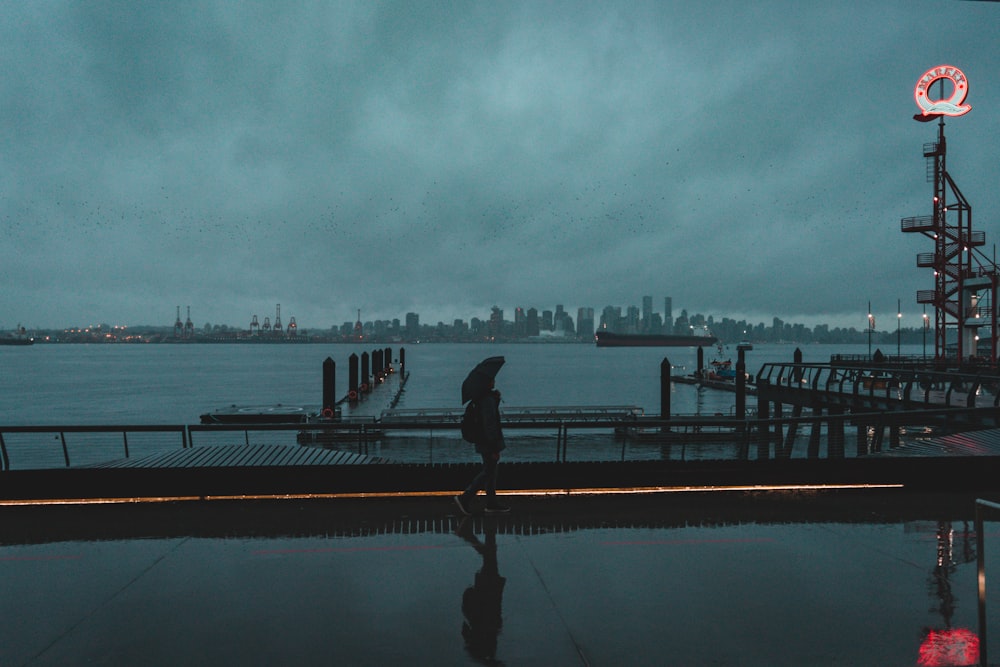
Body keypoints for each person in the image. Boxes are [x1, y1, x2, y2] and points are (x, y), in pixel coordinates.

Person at [455, 381, 509, 515]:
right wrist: (494, 448)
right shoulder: (487, 400)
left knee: (490, 472)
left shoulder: (483, 398)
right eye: (491, 380)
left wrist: (495, 399)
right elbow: (490, 424)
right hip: (488, 443)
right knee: (488, 472)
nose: (494, 381)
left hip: (482, 441)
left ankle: (491, 503)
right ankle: (465, 497)